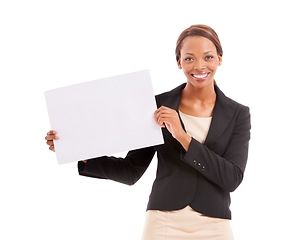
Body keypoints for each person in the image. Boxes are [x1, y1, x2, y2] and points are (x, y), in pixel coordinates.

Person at [45, 25, 251, 240]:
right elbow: (130, 170)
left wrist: (182, 135)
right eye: (189, 58)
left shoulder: (238, 114)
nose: (199, 66)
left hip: (214, 226)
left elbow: (232, 178)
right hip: (163, 222)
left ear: (219, 58)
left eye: (208, 57)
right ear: (179, 62)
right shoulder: (157, 105)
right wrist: (79, 150)